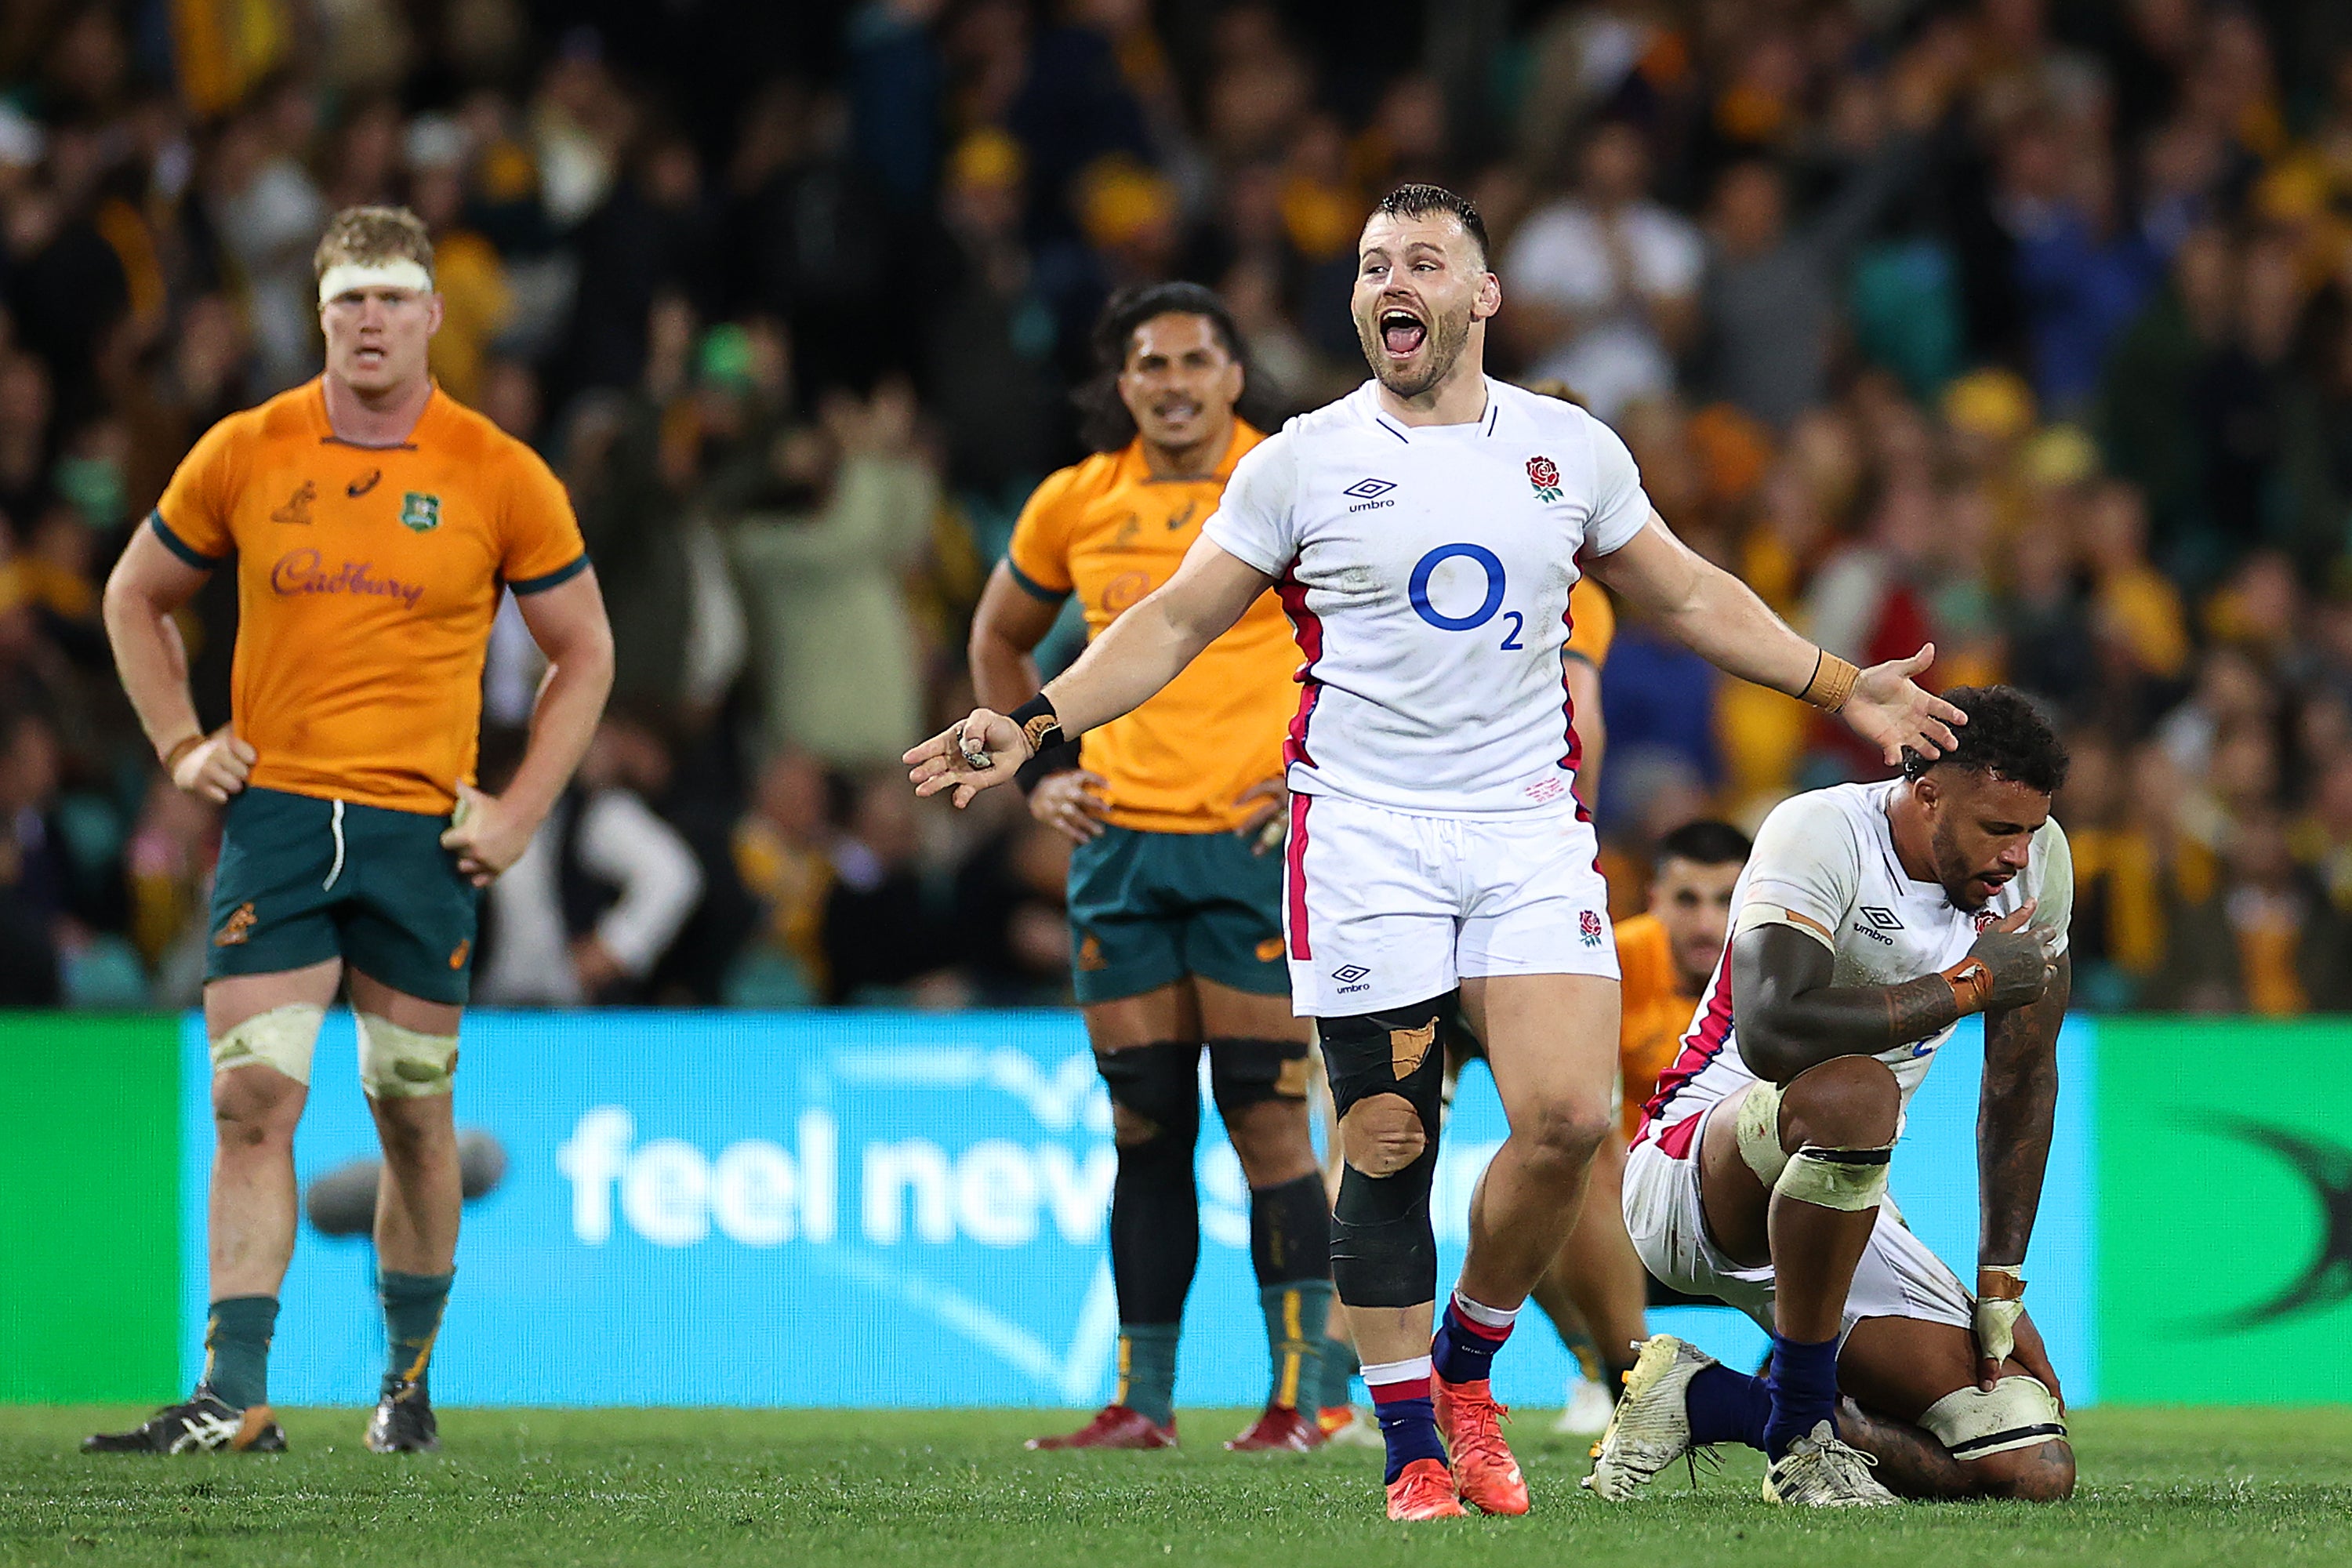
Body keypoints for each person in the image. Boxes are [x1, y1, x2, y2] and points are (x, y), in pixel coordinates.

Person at [908, 183, 1962, 1520]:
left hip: (1525, 827)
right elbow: (1173, 624)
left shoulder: (1566, 447)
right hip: (1359, 835)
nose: (1387, 282)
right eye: (1368, 264)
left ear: (1482, 298)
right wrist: (1038, 718)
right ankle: (1415, 1444)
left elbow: (1685, 592)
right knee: (1390, 1133)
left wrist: (1837, 686)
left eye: (1420, 261)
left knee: (1573, 1122)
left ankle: (1467, 1363)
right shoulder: (1296, 459)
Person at [88, 206, 613, 1455]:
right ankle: (236, 1394)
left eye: (390, 298)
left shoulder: (497, 470)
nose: (368, 321)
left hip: (418, 840)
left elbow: (585, 652)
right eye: (346, 302)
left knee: (412, 1115)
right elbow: (132, 597)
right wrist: (180, 744)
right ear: (318, 317)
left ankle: (408, 1388)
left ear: (435, 315)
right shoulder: (248, 450)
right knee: (252, 1101)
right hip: (276, 822)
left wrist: (520, 810)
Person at [967, 281, 1330, 1453]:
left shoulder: (1290, 477)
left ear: (1235, 374)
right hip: (1119, 853)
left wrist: (1318, 768)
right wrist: (1035, 774)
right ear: (1119, 385)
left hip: (1249, 849)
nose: (1172, 382)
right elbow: (998, 638)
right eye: (1149, 364)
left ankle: (1303, 1402)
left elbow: (1370, 633)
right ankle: (1144, 1404)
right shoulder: (1074, 503)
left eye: (1194, 360)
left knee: (1269, 1126)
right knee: (1145, 1129)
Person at [1591, 685, 2076, 1507]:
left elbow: (2021, 1076)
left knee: (2027, 1466)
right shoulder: (1821, 829)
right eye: (1998, 828)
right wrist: (1964, 987)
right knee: (1858, 1087)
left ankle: (1709, 1397)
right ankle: (1807, 1431)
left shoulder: (2037, 865)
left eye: (2030, 830)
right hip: (1695, 1171)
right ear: (1927, 793)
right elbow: (1772, 1032)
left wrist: (2000, 1279)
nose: (2016, 854)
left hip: (1845, 1198)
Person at [1548, 818, 1751, 1436]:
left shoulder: (1783, 966)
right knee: (1546, 1189)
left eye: (1726, 901)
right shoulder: (1610, 963)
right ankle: (1615, 1375)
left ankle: (1790, 1379)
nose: (1707, 924)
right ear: (1655, 900)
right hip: (1632, 1214)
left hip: (1746, 1211)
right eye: (1687, 900)